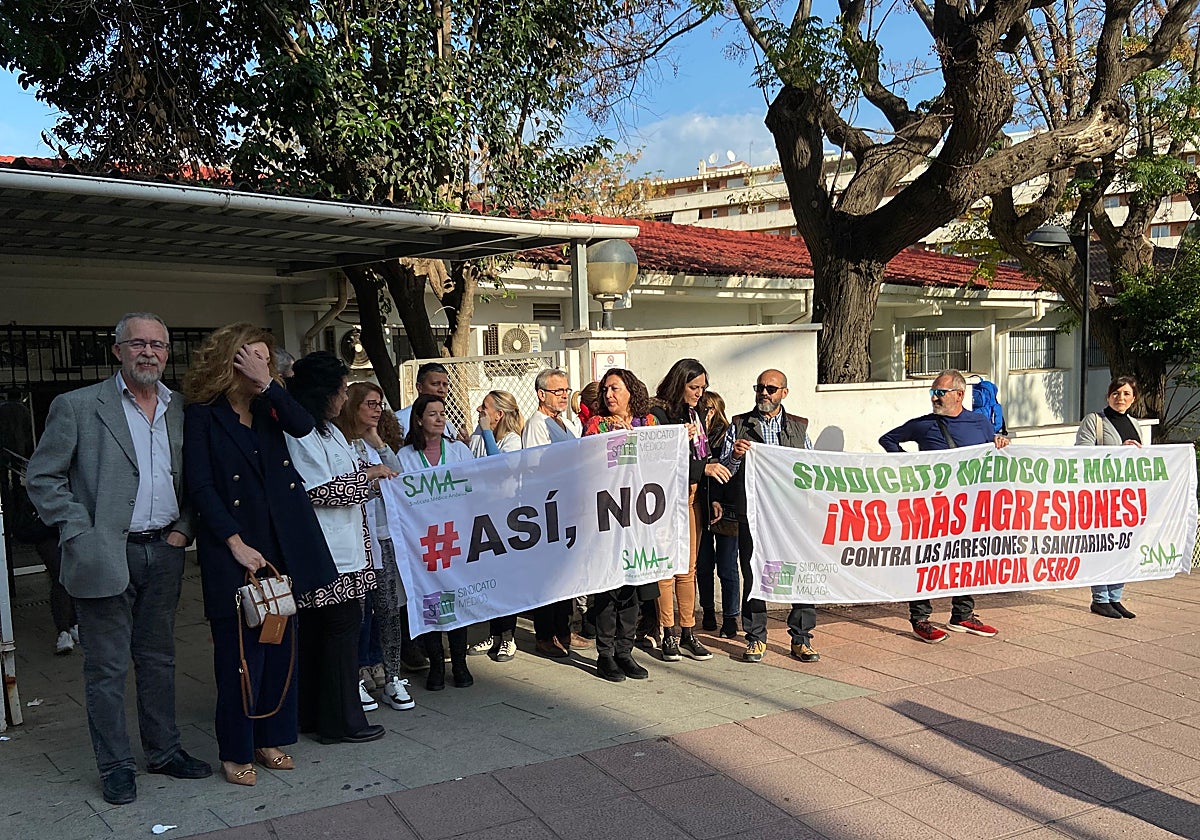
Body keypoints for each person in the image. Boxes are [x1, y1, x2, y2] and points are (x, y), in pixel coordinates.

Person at [25, 312, 210, 805]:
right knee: (106, 669)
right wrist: (78, 530)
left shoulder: (182, 409)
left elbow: (196, 479)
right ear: (117, 351)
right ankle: (116, 766)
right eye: (137, 344)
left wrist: (183, 531)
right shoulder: (79, 406)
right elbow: (42, 477)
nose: (148, 353)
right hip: (104, 553)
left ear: (168, 353)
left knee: (159, 660)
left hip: (165, 550)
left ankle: (164, 752)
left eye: (158, 345)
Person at [183, 323, 340, 786]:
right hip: (232, 548)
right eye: (251, 356)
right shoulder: (204, 415)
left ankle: (271, 736)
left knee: (278, 645)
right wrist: (233, 542)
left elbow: (305, 425)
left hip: (280, 546)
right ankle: (235, 748)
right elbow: (201, 485)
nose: (261, 364)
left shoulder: (272, 406)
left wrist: (269, 384)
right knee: (240, 656)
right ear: (230, 360)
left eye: (265, 358)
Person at [286, 352, 392, 744]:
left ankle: (319, 715)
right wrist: (370, 479)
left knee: (332, 634)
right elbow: (313, 490)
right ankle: (341, 721)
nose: (344, 397)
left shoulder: (330, 431)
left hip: (350, 549)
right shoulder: (300, 434)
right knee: (337, 634)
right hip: (327, 553)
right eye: (341, 389)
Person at [879, 368, 1010, 643]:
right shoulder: (922, 424)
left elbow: (992, 455)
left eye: (940, 393)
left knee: (967, 559)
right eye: (933, 392)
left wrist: (1000, 443)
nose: (935, 398)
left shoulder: (980, 423)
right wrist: (909, 465)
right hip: (932, 506)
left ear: (959, 395)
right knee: (925, 560)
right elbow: (887, 439)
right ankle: (920, 618)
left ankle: (962, 615)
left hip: (969, 506)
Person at [718, 369, 820, 664]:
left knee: (799, 574)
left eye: (771, 389)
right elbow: (725, 471)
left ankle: (801, 639)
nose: (764, 392)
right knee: (753, 574)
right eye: (760, 387)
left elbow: (812, 468)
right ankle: (755, 637)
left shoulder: (799, 428)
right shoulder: (738, 426)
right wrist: (735, 456)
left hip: (792, 515)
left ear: (783, 393)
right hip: (755, 514)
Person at [335, 382, 417, 710]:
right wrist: (370, 475)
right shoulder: (339, 442)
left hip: (383, 535)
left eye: (380, 403)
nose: (377, 409)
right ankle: (355, 676)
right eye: (369, 403)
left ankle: (393, 676)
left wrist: (378, 444)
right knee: (358, 610)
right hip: (354, 537)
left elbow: (401, 477)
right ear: (353, 406)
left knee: (388, 607)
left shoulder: (373, 443)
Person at [649, 359, 730, 662]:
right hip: (667, 501)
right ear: (679, 383)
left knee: (689, 568)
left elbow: (702, 452)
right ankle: (667, 631)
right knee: (667, 569)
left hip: (694, 497)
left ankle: (688, 630)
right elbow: (661, 460)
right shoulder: (657, 414)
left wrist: (712, 496)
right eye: (694, 387)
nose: (699, 393)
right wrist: (702, 467)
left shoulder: (693, 413)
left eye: (703, 388)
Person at [582, 368, 658, 682]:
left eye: (615, 389)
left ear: (631, 392)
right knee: (608, 587)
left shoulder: (649, 422)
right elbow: (588, 464)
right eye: (605, 391)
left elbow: (658, 462)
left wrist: (634, 436)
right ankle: (605, 654)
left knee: (632, 585)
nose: (609, 396)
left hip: (639, 516)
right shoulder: (595, 424)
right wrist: (613, 438)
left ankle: (625, 652)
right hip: (607, 517)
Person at [397, 393, 476, 690]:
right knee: (430, 601)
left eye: (443, 413)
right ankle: (436, 666)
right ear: (418, 420)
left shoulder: (458, 452)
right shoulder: (404, 457)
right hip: (422, 543)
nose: (441, 418)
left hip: (455, 538)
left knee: (457, 598)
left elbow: (475, 488)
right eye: (433, 414)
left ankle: (460, 664)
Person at [522, 368, 593, 657]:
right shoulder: (537, 425)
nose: (563, 395)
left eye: (566, 390)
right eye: (557, 391)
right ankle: (546, 634)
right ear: (541, 394)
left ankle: (564, 630)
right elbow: (538, 466)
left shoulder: (564, 423)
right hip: (547, 508)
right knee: (548, 575)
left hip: (568, 506)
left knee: (565, 574)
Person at [1076, 375, 1143, 619]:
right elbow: (1082, 455)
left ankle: (1116, 597)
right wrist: (1117, 452)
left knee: (1121, 546)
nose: (1120, 398)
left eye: (1126, 394)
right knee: (1101, 546)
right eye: (1116, 393)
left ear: (1133, 398)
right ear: (1108, 396)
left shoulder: (1135, 424)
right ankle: (1100, 599)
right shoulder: (1095, 421)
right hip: (1100, 496)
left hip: (1125, 497)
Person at [467, 391, 526, 661]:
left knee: (506, 578)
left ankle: (508, 637)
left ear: (498, 415)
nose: (480, 409)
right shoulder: (478, 435)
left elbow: (499, 468)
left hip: (505, 516)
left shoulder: (512, 440)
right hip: (482, 514)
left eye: (486, 407)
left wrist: (487, 433)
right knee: (488, 578)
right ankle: (493, 632)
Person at [696, 390, 740, 638]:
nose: (708, 413)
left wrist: (719, 499)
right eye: (705, 408)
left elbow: (729, 470)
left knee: (727, 566)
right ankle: (709, 610)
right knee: (703, 564)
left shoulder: (727, 435)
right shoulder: (695, 435)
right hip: (702, 504)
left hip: (727, 507)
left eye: (712, 408)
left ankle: (731, 617)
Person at [396, 362, 467, 443]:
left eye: (445, 385)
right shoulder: (399, 420)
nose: (441, 390)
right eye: (435, 384)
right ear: (419, 387)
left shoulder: (447, 424)